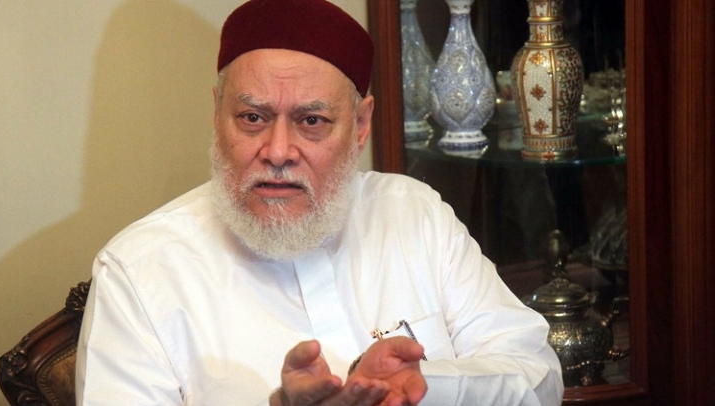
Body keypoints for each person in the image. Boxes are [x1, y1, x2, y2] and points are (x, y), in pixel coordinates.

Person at [75, 0, 564, 405]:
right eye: (252, 117)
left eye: (312, 121)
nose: (278, 152)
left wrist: (424, 387)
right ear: (217, 113)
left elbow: (538, 377)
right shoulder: (139, 273)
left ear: (360, 125)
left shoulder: (415, 215)